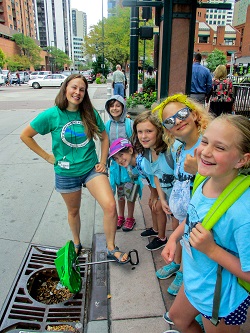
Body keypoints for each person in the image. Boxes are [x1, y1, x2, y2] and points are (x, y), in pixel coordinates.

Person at [20, 74, 129, 264]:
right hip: (66, 173)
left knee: (110, 206)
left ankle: (111, 248)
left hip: (90, 169)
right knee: (73, 211)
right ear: (65, 88)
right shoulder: (52, 114)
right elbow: (26, 135)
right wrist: (47, 156)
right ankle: (77, 243)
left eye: (82, 89)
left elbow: (104, 138)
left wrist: (103, 161)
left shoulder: (88, 113)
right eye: (74, 87)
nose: (77, 92)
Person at [161, 114, 250, 333]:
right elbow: (194, 217)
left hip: (220, 298)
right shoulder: (204, 179)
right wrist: (174, 237)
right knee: (178, 319)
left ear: (241, 160)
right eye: (205, 141)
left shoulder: (242, 213)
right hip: (196, 280)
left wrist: (211, 250)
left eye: (220, 148)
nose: (205, 152)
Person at [152, 93, 211, 295]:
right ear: (167, 129)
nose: (177, 121)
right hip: (181, 209)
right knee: (181, 239)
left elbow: (217, 183)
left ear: (194, 114)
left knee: (190, 246)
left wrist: (199, 170)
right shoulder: (178, 148)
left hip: (199, 213)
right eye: (169, 121)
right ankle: (178, 264)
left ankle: (185, 274)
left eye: (182, 114)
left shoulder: (205, 146)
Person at [132, 110, 178, 251]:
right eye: (140, 132)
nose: (143, 136)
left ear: (159, 131)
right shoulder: (147, 152)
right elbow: (156, 175)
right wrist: (162, 198)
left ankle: (178, 266)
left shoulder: (173, 150)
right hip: (169, 198)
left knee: (179, 237)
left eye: (149, 131)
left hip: (180, 201)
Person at [105, 95, 136, 231]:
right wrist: (104, 162)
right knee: (120, 192)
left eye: (118, 105)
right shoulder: (107, 125)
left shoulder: (129, 124)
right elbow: (105, 145)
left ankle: (130, 218)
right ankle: (121, 216)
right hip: (115, 165)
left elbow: (135, 143)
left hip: (128, 166)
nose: (114, 108)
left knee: (130, 191)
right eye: (111, 106)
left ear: (123, 107)